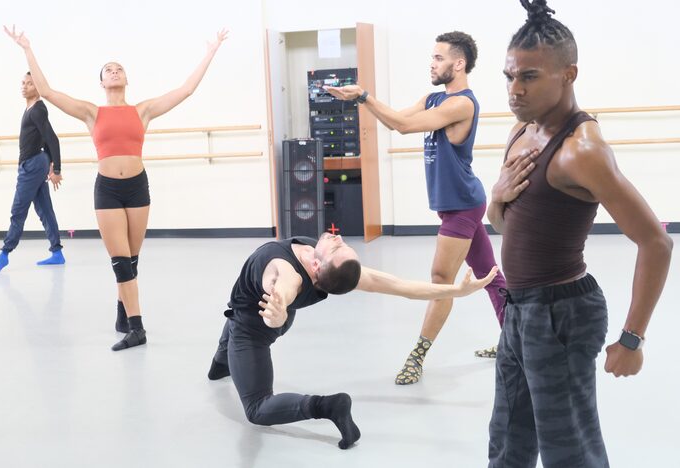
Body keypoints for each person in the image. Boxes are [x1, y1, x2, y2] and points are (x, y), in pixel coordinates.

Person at [486, 1, 673, 466]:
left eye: (529, 76)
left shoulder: (582, 151)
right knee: (508, 436)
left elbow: (657, 242)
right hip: (519, 308)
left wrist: (633, 339)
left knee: (569, 448)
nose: (515, 89)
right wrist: (495, 197)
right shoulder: (521, 131)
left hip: (563, 313)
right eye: (509, 76)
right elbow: (505, 225)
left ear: (569, 74)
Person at [4, 25, 228, 350]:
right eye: (108, 70)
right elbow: (49, 92)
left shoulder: (143, 110)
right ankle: (137, 328)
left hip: (138, 188)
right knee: (120, 262)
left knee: (132, 261)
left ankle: (123, 311)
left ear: (126, 79)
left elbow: (186, 89)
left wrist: (211, 50)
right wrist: (27, 48)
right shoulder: (92, 112)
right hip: (107, 190)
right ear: (101, 82)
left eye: (119, 68)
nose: (114, 71)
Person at [326, 31, 508, 385]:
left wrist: (365, 96)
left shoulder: (462, 104)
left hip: (463, 207)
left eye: (438, 58)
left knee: (441, 281)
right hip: (457, 204)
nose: (432, 63)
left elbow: (405, 127)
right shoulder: (433, 99)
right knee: (490, 275)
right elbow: (395, 119)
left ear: (459, 64)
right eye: (432, 57)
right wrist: (360, 98)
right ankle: (516, 340)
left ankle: (417, 356)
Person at [208, 233, 498, 449]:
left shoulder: (289, 274)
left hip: (257, 327)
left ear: (315, 266)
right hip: (250, 314)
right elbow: (401, 286)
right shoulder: (328, 268)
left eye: (336, 247)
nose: (338, 237)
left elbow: (283, 288)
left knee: (257, 408)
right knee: (228, 338)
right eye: (342, 244)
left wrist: (278, 311)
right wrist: (457, 291)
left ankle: (328, 406)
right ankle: (222, 362)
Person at [0, 72, 65, 274]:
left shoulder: (37, 109)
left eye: (30, 84)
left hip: (32, 165)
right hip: (36, 163)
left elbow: (52, 139)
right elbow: (44, 138)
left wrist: (56, 168)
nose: (25, 86)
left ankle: (5, 253)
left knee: (18, 210)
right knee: (44, 209)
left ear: (38, 88)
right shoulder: (30, 108)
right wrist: (48, 161)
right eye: (23, 83)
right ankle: (57, 252)